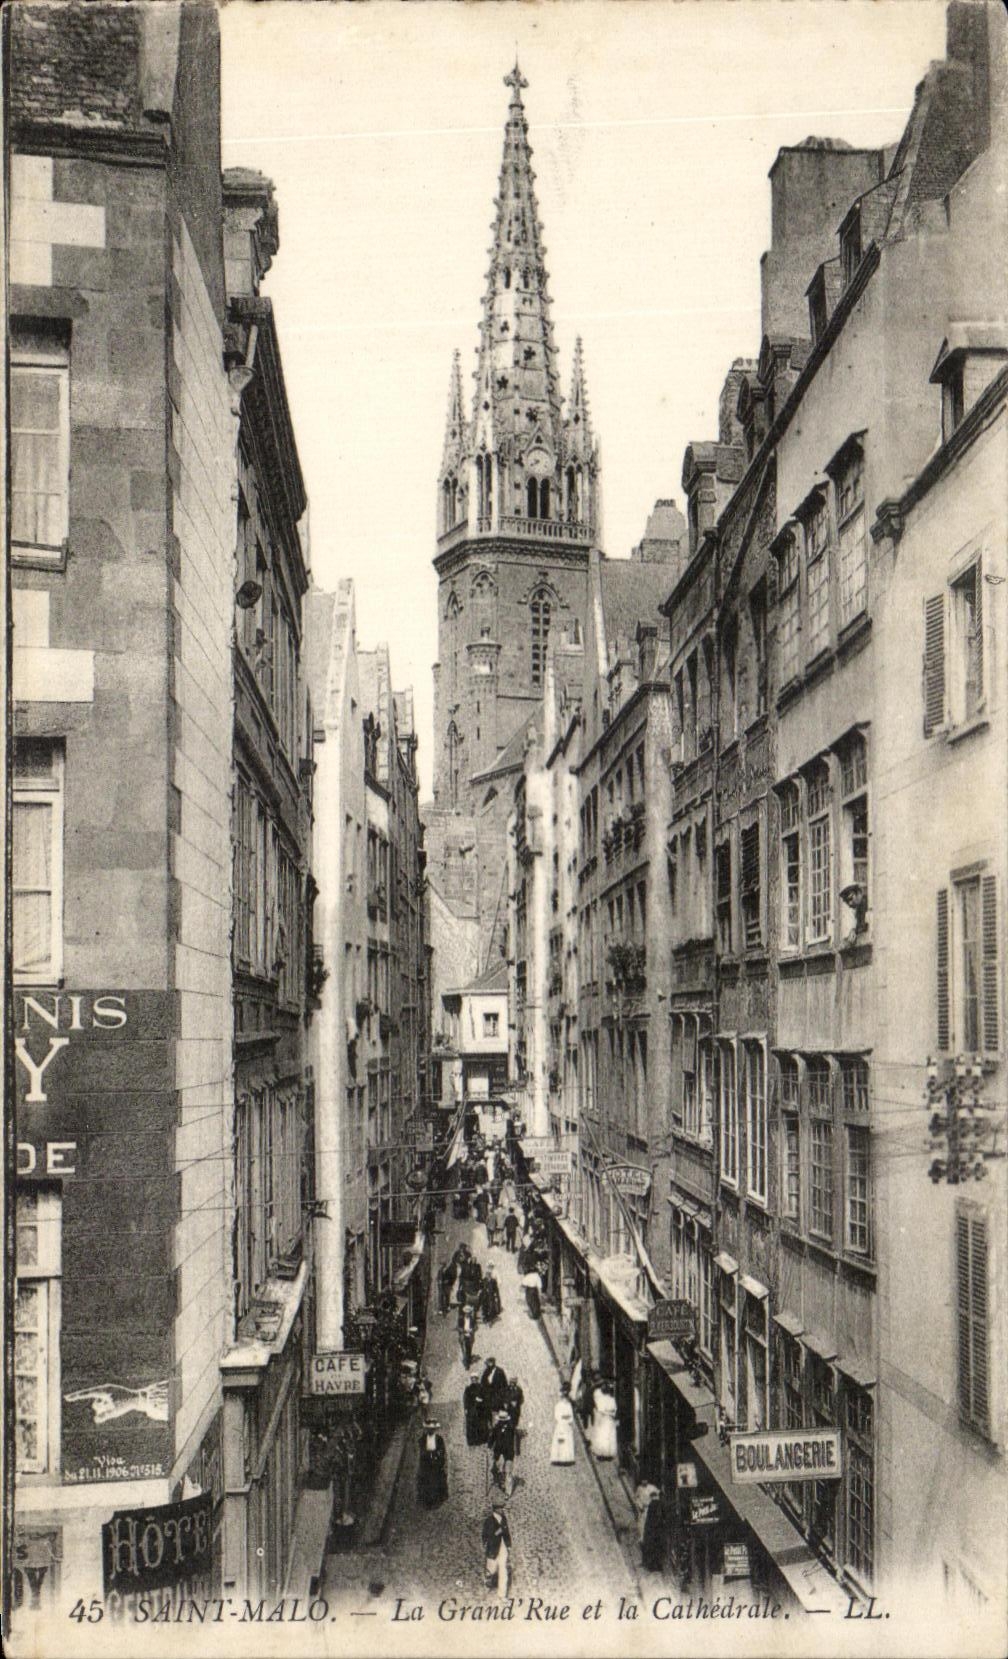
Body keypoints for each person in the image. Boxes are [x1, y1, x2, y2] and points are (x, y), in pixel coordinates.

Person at [416, 1418, 447, 1508]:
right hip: (426, 1463)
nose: (430, 1431)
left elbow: (442, 1451)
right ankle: (427, 1499)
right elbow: (422, 1451)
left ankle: (436, 1498)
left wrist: (438, 1456)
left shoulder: (439, 1439)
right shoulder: (422, 1439)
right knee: (426, 1481)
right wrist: (427, 1455)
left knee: (435, 1480)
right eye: (428, 1429)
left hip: (436, 1463)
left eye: (432, 1429)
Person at [481, 1503, 511, 1598]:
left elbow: (507, 1532)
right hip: (493, 1550)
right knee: (491, 1571)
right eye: (501, 1508)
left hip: (503, 1549)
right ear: (496, 1510)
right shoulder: (489, 1521)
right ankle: (487, 1583)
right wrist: (500, 1530)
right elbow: (490, 1536)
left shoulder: (503, 1519)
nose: (503, 1510)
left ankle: (502, 1595)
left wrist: (508, 1544)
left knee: (503, 1571)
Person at [635, 1480, 665, 1570]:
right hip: (647, 1518)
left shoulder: (653, 1501)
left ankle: (649, 1563)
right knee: (645, 1539)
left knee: (648, 1542)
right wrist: (640, 1507)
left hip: (651, 1526)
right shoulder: (639, 1489)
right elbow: (636, 1499)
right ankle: (648, 1562)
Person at [490, 1407, 517, 1497]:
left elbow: (514, 1441)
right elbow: (492, 1438)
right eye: (501, 1420)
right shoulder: (496, 1427)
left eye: (503, 1420)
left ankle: (508, 1492)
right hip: (498, 1452)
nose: (501, 1421)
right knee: (495, 1468)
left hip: (508, 1453)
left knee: (508, 1472)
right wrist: (489, 1446)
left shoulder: (510, 1428)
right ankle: (500, 1481)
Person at [591, 1378, 618, 1459]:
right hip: (604, 1419)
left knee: (610, 1436)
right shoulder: (600, 1396)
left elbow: (615, 1408)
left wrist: (613, 1414)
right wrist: (610, 1413)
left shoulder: (612, 1399)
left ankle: (608, 1453)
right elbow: (601, 1409)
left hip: (610, 1420)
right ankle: (602, 1452)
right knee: (603, 1435)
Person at [550, 1386, 576, 1465]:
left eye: (566, 1399)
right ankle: (558, 1457)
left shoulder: (568, 1405)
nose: (565, 1400)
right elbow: (557, 1416)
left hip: (567, 1426)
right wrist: (564, 1418)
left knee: (567, 1442)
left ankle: (566, 1458)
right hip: (561, 1426)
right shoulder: (558, 1405)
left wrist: (567, 1419)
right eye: (564, 1398)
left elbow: (571, 1416)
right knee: (561, 1441)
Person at [463, 1367, 488, 1447]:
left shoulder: (481, 1387)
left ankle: (481, 1439)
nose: (474, 1380)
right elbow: (466, 1399)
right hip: (471, 1409)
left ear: (477, 1379)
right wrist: (466, 1408)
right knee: (471, 1425)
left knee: (480, 1424)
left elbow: (485, 1397)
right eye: (472, 1378)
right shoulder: (468, 1388)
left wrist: (481, 1400)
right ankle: (472, 1441)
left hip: (480, 1409)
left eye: (475, 1378)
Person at [458, 1299, 477, 1369]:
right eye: (466, 1312)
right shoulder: (461, 1319)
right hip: (463, 1335)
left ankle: (468, 1359)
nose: (467, 1314)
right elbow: (459, 1327)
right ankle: (466, 1364)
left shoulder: (472, 1319)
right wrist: (463, 1330)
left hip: (470, 1336)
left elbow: (475, 1327)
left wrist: (472, 1330)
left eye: (469, 1312)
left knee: (469, 1349)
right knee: (464, 1349)